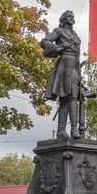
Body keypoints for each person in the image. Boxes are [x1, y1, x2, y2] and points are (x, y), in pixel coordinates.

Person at [41, 10, 81, 138]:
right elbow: (44, 42)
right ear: (64, 19)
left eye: (72, 16)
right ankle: (65, 130)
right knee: (65, 97)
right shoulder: (59, 31)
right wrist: (57, 49)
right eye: (69, 16)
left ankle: (72, 129)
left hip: (75, 64)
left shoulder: (75, 34)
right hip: (64, 64)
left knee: (73, 95)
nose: (71, 18)